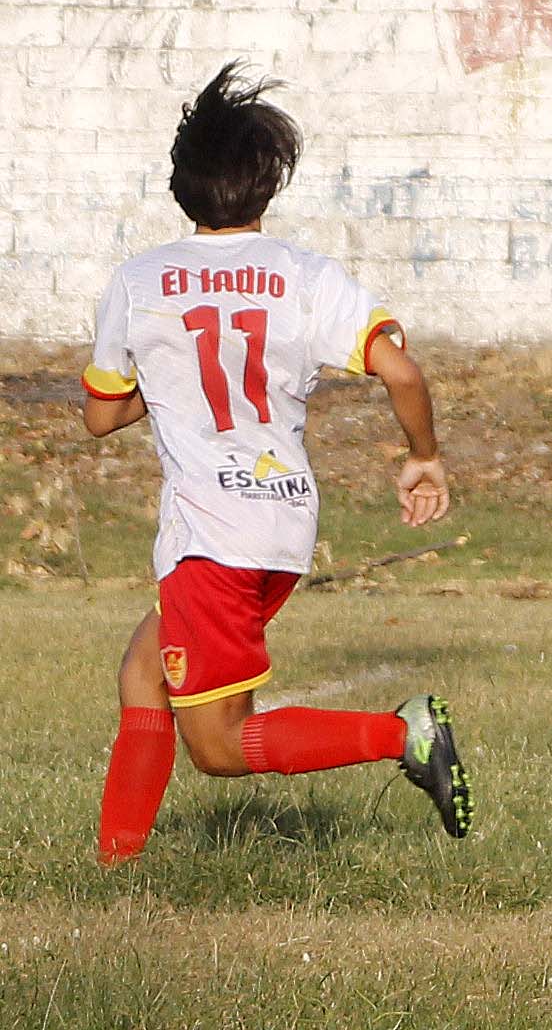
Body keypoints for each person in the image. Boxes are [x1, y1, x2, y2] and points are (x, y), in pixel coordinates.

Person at [88, 64, 468, 866]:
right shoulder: (306, 274)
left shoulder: (139, 280)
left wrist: (170, 383)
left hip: (210, 537)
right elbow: (402, 371)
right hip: (282, 523)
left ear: (179, 184)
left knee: (219, 748)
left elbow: (100, 415)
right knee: (142, 668)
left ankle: (403, 735)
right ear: (266, 188)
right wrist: (423, 457)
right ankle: (115, 865)